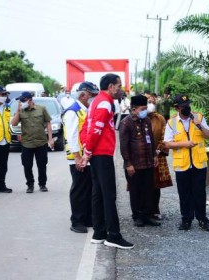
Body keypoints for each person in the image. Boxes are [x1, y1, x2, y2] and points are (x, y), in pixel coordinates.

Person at [80, 73, 134, 249]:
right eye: (119, 86)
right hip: (101, 153)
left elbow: (86, 128)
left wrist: (87, 150)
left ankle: (99, 232)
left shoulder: (96, 101)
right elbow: (95, 129)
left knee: (98, 193)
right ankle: (113, 235)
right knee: (109, 195)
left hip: (97, 153)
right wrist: (87, 151)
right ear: (111, 86)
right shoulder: (104, 102)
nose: (120, 89)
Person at [163, 94, 209, 231]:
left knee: (199, 192)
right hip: (182, 164)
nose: (187, 108)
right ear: (177, 108)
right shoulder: (171, 123)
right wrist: (184, 144)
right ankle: (186, 220)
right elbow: (167, 143)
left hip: (199, 162)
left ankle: (202, 219)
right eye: (184, 106)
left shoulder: (198, 117)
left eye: (188, 105)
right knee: (184, 194)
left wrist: (200, 125)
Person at [62, 81, 99, 233]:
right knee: (79, 189)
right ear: (83, 95)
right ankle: (77, 220)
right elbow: (71, 136)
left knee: (89, 187)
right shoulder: (73, 111)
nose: (94, 98)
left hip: (87, 156)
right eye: (92, 95)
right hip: (77, 156)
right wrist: (78, 157)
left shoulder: (86, 109)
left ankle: (87, 217)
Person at [119, 95, 160, 227]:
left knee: (148, 190)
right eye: (143, 108)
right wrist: (128, 164)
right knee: (136, 191)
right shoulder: (126, 122)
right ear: (134, 109)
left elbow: (151, 140)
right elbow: (123, 145)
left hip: (147, 162)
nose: (145, 111)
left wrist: (154, 156)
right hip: (134, 165)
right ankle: (137, 216)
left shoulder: (147, 121)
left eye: (146, 108)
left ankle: (148, 215)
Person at [11, 91, 54, 193]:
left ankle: (42, 184)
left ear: (29, 100)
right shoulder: (20, 111)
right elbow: (14, 123)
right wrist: (18, 110)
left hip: (41, 142)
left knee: (42, 165)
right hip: (27, 143)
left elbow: (48, 123)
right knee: (27, 165)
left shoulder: (41, 109)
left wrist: (50, 139)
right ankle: (30, 185)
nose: (21, 102)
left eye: (23, 100)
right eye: (20, 101)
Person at [146, 94, 172, 219]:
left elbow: (165, 136)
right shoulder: (139, 118)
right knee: (143, 184)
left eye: (152, 101)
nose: (151, 104)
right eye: (148, 102)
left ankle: (155, 210)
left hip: (157, 155)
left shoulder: (160, 118)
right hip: (142, 157)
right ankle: (142, 211)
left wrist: (158, 150)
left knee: (156, 185)